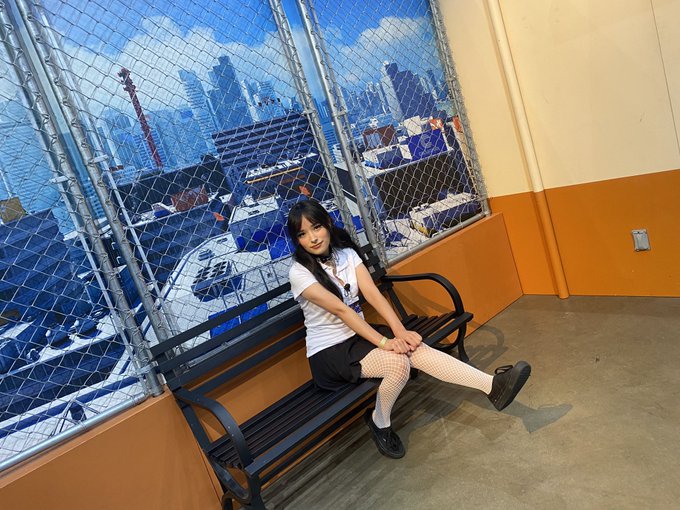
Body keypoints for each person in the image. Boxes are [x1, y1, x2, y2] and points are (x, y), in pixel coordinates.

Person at [287, 199, 531, 459]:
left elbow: (373, 294)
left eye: (316, 227)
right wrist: (385, 342)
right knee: (398, 364)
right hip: (330, 352)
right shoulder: (299, 272)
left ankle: (492, 386)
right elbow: (342, 311)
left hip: (359, 335)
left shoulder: (346, 255)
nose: (312, 238)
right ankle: (380, 422)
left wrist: (399, 331)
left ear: (327, 223)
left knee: (414, 347)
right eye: (303, 234)